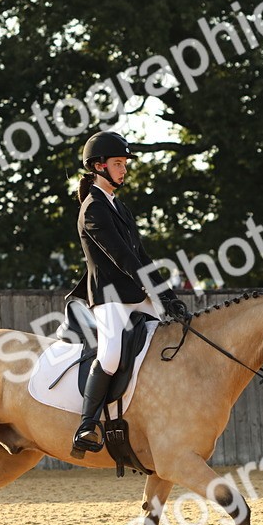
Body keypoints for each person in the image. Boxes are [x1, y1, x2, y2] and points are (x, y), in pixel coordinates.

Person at [66, 131, 189, 455]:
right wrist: (156, 294)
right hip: (109, 297)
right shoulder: (93, 208)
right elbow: (123, 258)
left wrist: (167, 295)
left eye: (124, 164)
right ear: (98, 166)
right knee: (110, 356)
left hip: (137, 293)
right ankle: (87, 425)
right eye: (118, 164)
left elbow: (143, 257)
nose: (124, 170)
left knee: (172, 340)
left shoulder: (119, 207)